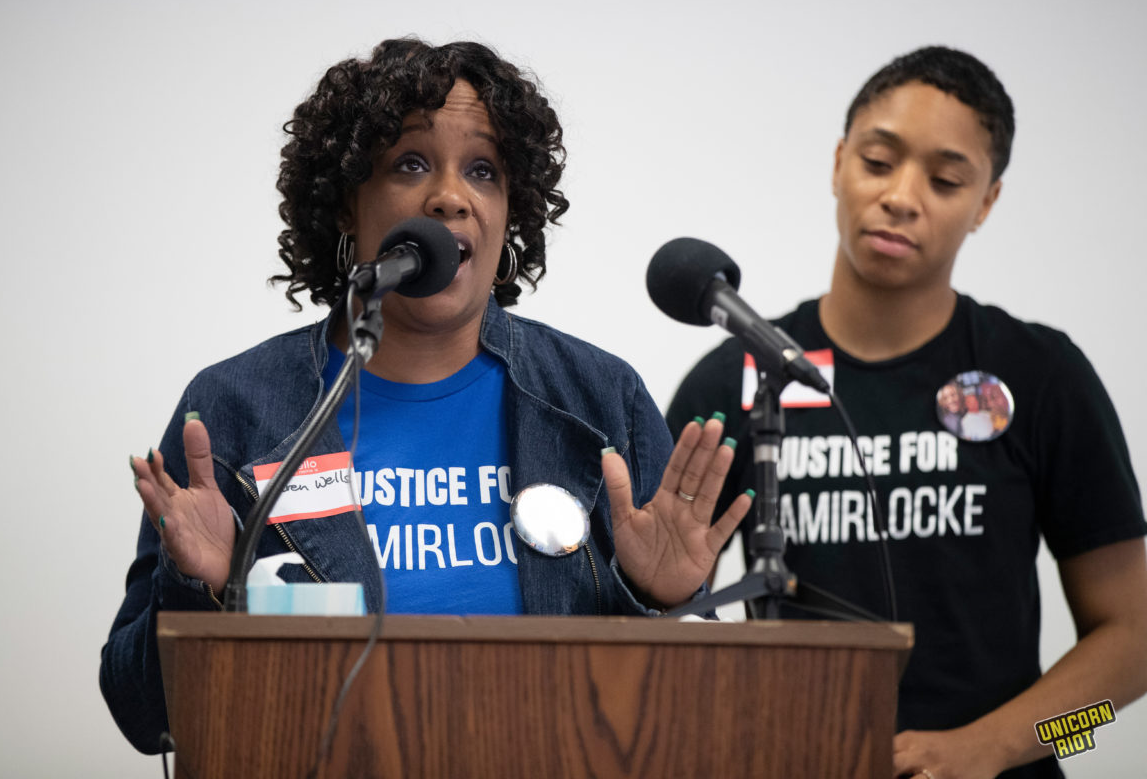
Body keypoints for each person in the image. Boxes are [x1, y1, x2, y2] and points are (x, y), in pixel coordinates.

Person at [101, 38, 751, 754]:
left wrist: (662, 601)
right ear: (347, 204)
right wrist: (203, 593)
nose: (451, 195)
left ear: (511, 216)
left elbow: (683, 722)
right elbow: (141, 715)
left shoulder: (597, 400)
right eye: (411, 163)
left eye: (484, 170)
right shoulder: (237, 406)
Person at [666, 46, 1147, 778]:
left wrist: (994, 749)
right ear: (837, 163)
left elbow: (1137, 649)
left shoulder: (1041, 373)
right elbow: (660, 626)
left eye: (946, 179)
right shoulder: (733, 382)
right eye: (879, 161)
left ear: (986, 203)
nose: (902, 196)